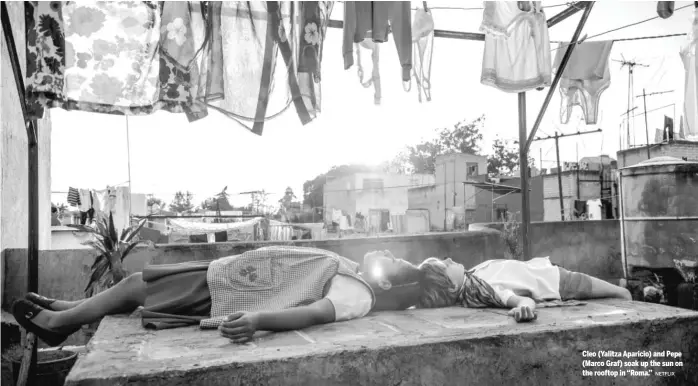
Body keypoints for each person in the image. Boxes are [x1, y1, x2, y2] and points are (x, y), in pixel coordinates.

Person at [13, 247, 423, 347]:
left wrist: (258, 321)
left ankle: (56, 325)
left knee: (138, 286)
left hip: (227, 292)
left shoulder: (357, 293)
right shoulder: (349, 268)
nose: (386, 253)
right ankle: (70, 311)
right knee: (137, 283)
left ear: (385, 284)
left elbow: (316, 313)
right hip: (226, 275)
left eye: (394, 262)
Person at [417, 256, 632, 323]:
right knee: (622, 294)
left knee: (619, 293)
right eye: (445, 266)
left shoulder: (471, 279)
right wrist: (524, 308)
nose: (448, 259)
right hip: (560, 282)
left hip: (551, 274)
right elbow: (516, 300)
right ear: (452, 285)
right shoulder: (482, 289)